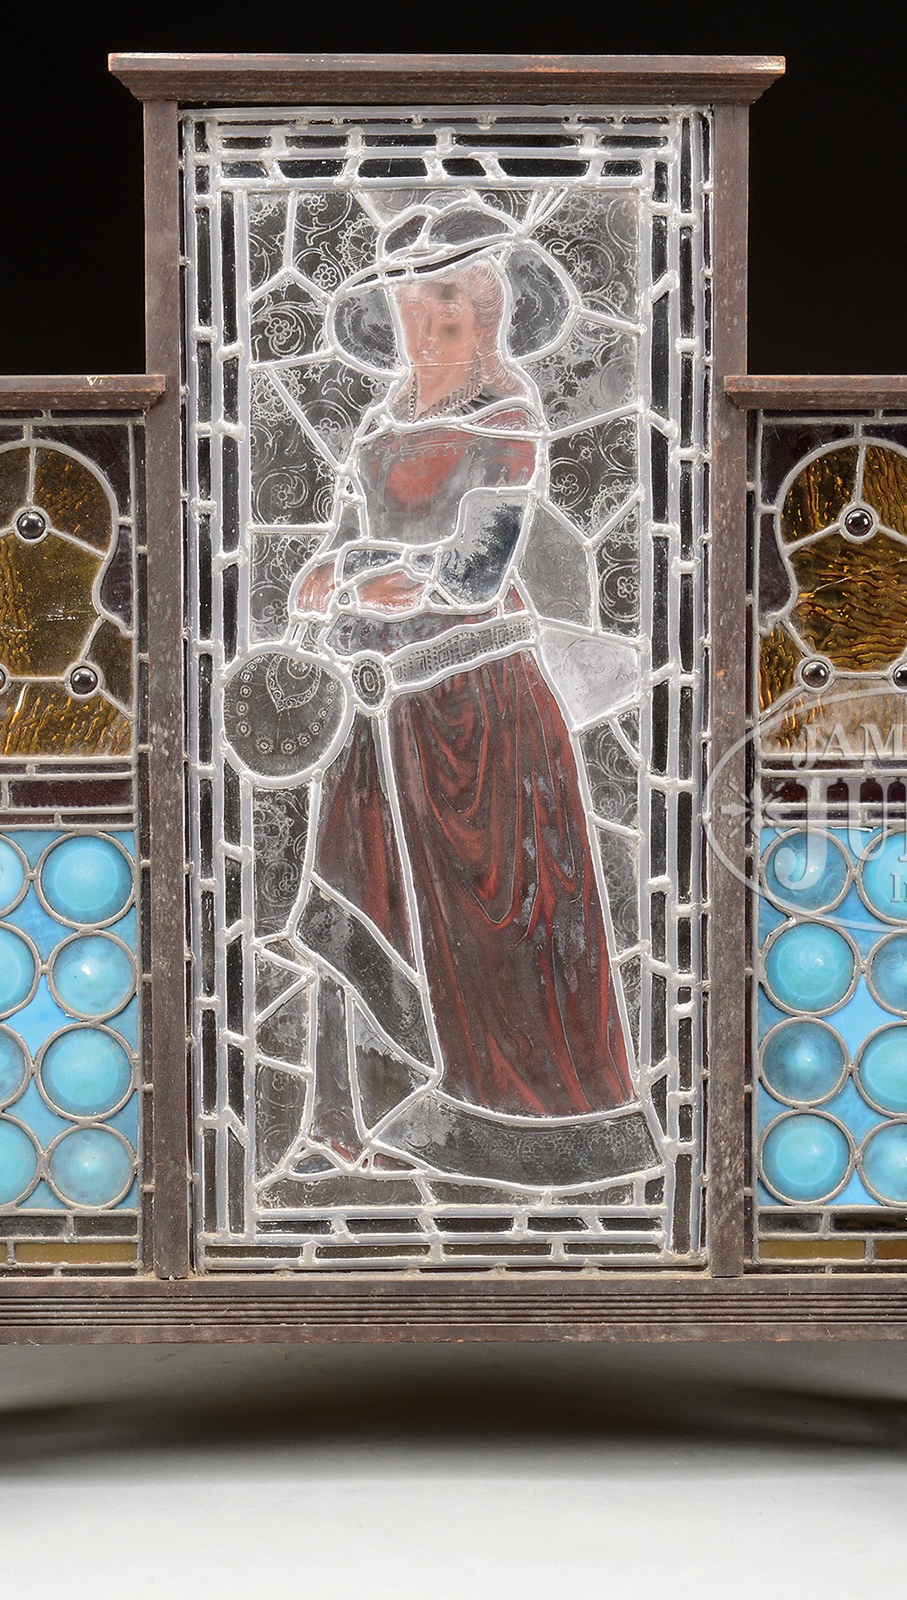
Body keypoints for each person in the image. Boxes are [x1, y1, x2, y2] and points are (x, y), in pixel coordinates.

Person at [276, 204, 658, 1187]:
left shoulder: (507, 417)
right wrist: (342, 575)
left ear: (486, 314)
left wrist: (360, 577)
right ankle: (343, 1122)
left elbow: (474, 575)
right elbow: (336, 555)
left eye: (447, 305)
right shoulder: (379, 420)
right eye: (413, 307)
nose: (427, 325)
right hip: (378, 704)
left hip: (481, 709)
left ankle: (517, 1129)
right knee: (353, 900)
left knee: (501, 927)